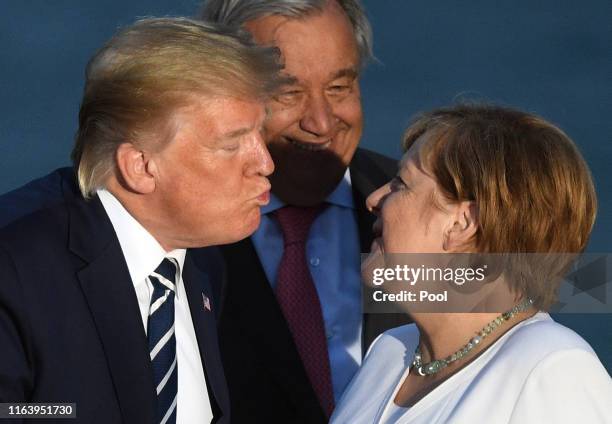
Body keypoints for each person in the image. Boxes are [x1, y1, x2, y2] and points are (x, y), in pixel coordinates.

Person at [0, 17, 282, 424]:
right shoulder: (14, 270)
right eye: (232, 143)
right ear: (140, 167)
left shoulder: (205, 262)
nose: (265, 163)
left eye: (261, 134)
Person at [330, 104, 612, 423]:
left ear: (463, 224)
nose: (374, 199)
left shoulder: (551, 368)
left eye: (400, 184)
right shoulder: (390, 352)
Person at [200, 1, 411, 422]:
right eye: (288, 92)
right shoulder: (176, 225)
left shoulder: (431, 208)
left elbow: (532, 315)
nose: (321, 121)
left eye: (339, 88)